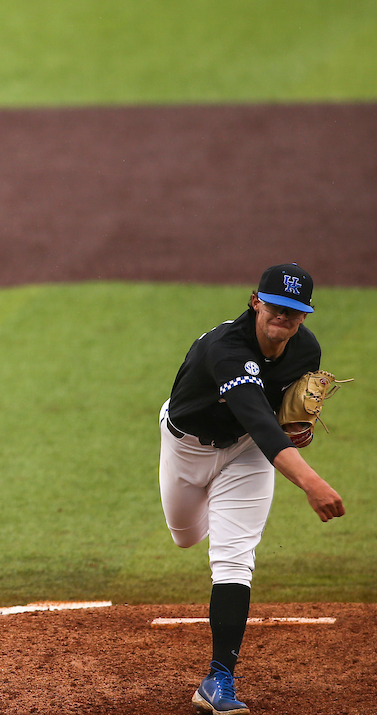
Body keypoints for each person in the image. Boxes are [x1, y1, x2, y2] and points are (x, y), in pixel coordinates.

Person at [158, 263, 345, 715]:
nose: (283, 316)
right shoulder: (225, 348)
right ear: (256, 301)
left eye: (294, 310)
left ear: (305, 314)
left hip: (248, 453)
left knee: (234, 559)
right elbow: (261, 421)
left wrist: (298, 431)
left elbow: (274, 422)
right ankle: (215, 509)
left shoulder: (307, 350)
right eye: (275, 305)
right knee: (184, 535)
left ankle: (218, 678)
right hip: (187, 448)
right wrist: (312, 482)